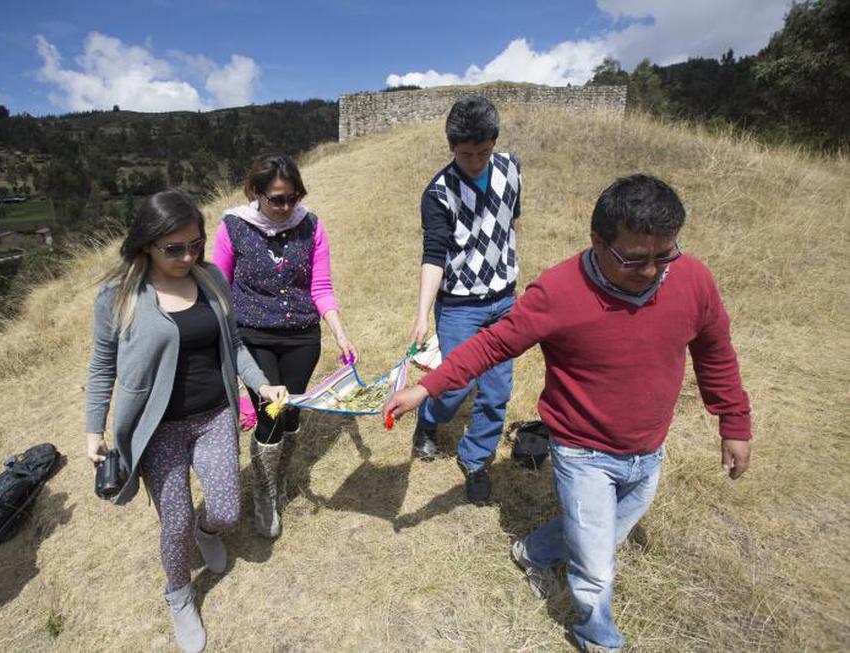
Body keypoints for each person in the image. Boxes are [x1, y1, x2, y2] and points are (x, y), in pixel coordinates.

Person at [385, 175, 752, 653]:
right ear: (598, 242)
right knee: (596, 566)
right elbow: (494, 344)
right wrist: (428, 388)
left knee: (603, 532)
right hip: (583, 452)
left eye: (665, 254)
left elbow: (715, 351)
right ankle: (597, 637)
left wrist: (734, 423)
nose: (651, 271)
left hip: (648, 449)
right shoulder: (559, 290)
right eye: (634, 258)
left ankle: (533, 550)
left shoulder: (694, 280)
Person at [85, 190, 287, 653]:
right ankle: (178, 594)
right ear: (146, 245)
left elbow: (234, 345)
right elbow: (102, 366)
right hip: (158, 430)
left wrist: (260, 385)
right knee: (172, 522)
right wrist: (93, 430)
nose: (187, 255)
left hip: (215, 415)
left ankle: (207, 531)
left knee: (226, 509)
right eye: (173, 248)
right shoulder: (119, 295)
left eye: (195, 243)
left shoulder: (212, 278)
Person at [213, 153, 356, 538]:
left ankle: (280, 475)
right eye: (277, 199)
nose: (286, 207)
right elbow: (220, 292)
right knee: (269, 412)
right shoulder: (232, 227)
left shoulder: (311, 227)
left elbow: (320, 287)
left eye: (293, 198)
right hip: (253, 336)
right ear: (256, 193)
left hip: (302, 338)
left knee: (292, 413)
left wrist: (340, 332)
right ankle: (263, 491)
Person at [407, 95, 523, 505]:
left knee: (496, 389)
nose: (475, 161)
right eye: (465, 154)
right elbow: (434, 255)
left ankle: (476, 460)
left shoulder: (511, 170)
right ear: (451, 147)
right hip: (459, 305)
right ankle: (428, 420)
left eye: (483, 152)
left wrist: (504, 268)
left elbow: (510, 222)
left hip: (505, 300)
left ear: (494, 143)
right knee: (457, 382)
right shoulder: (438, 193)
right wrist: (423, 314)